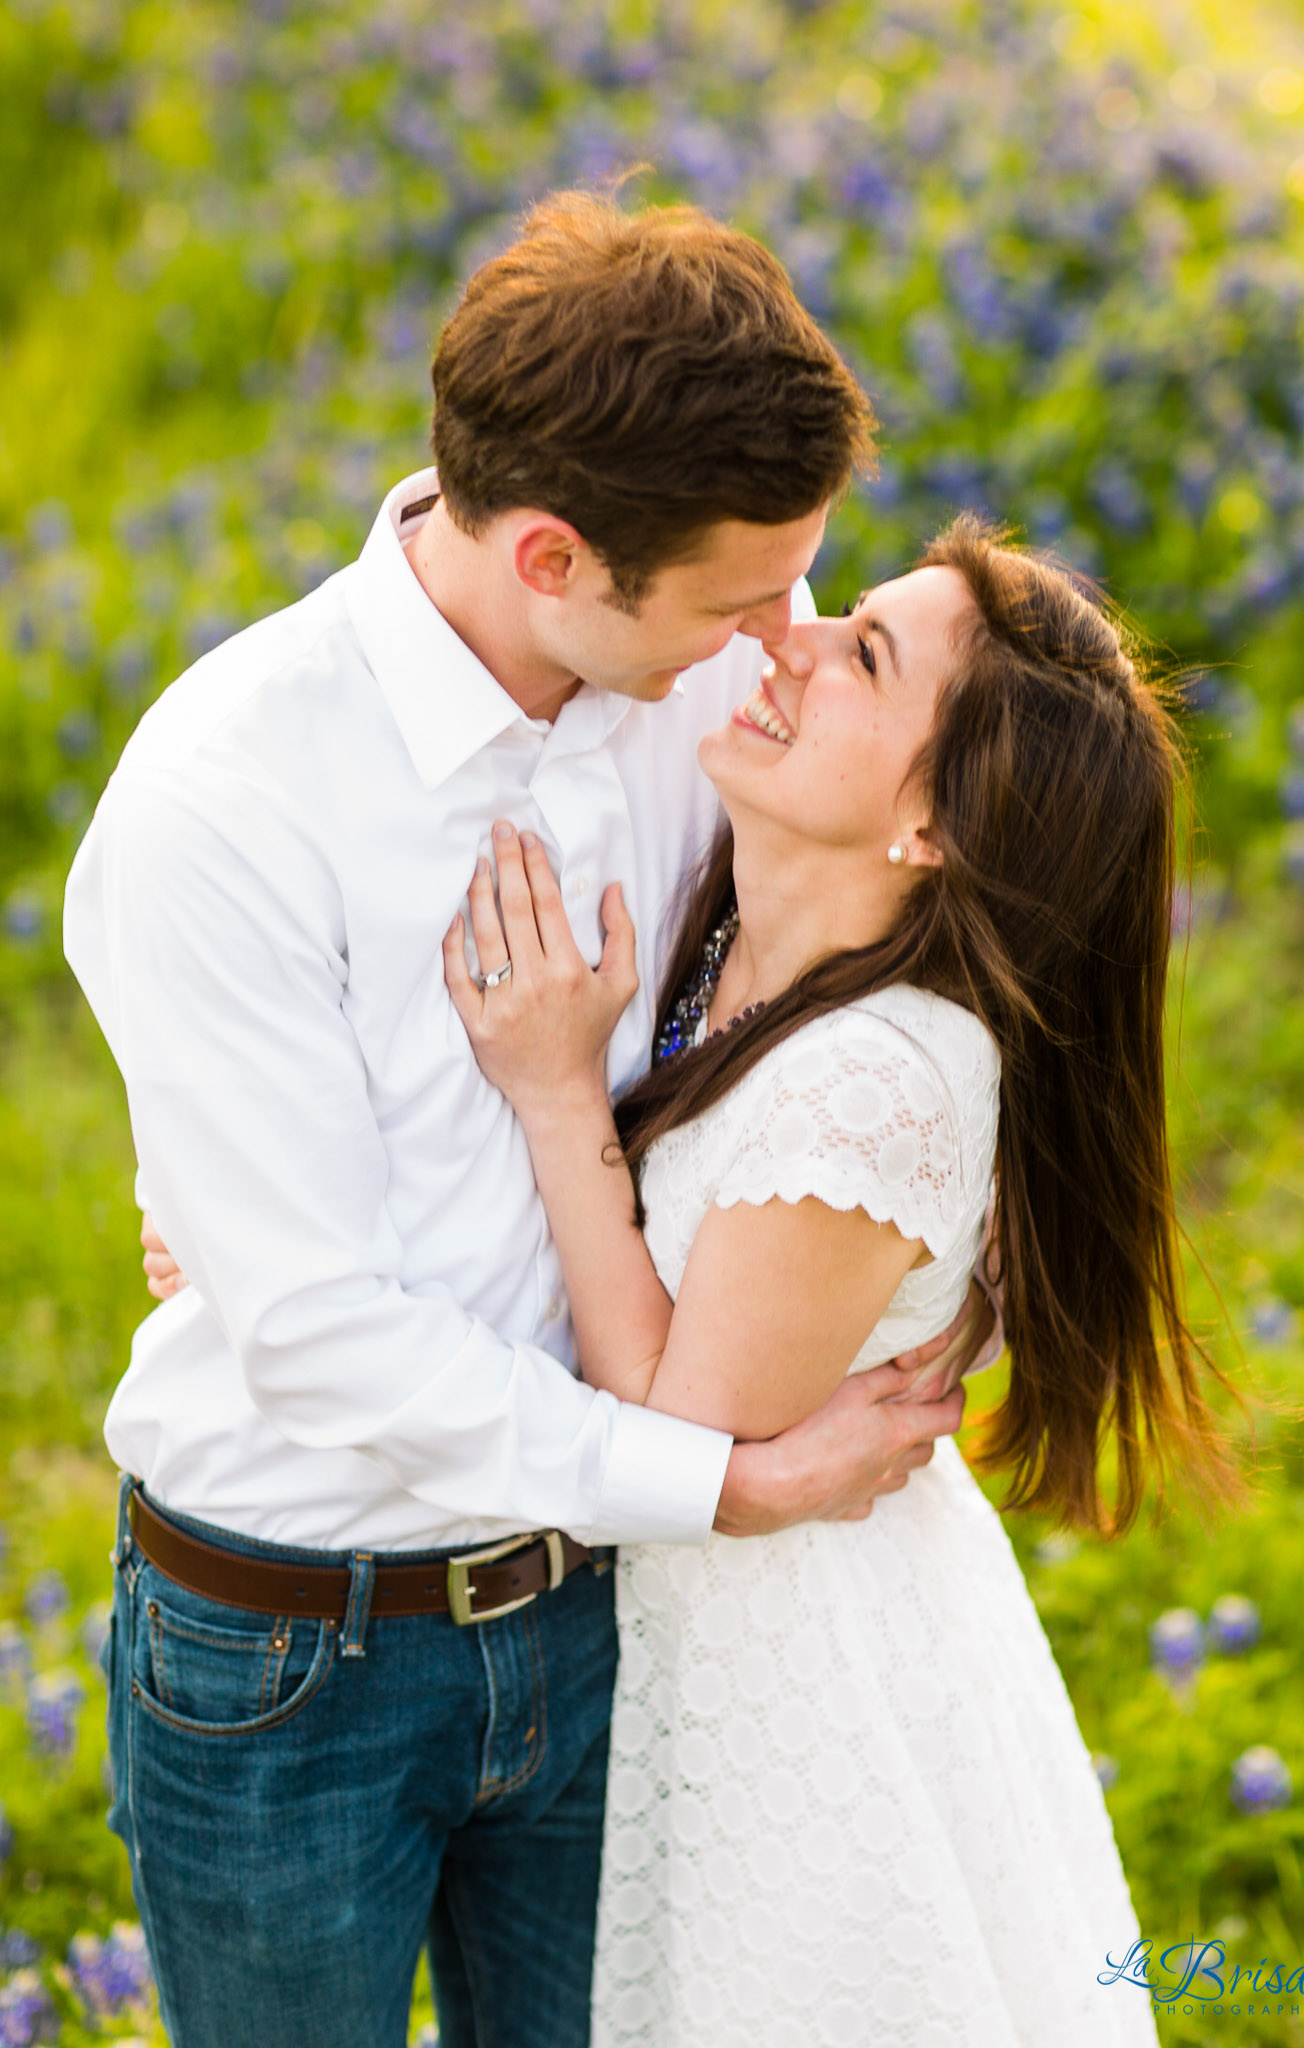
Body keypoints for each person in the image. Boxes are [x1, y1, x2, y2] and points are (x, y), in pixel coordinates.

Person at [63, 191, 993, 2048]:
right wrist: (719, 1484)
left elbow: (909, 909)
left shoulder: (718, 676)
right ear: (558, 553)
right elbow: (321, 1335)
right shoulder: (222, 797)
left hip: (609, 1624)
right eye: (747, 598)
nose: (786, 641)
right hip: (294, 1648)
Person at [441, 516, 1241, 2047]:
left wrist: (553, 1096)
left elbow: (673, 1416)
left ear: (935, 825)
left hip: (805, 1687)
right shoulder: (750, 921)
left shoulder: (874, 1078)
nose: (784, 637)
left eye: (859, 651)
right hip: (704, 1644)